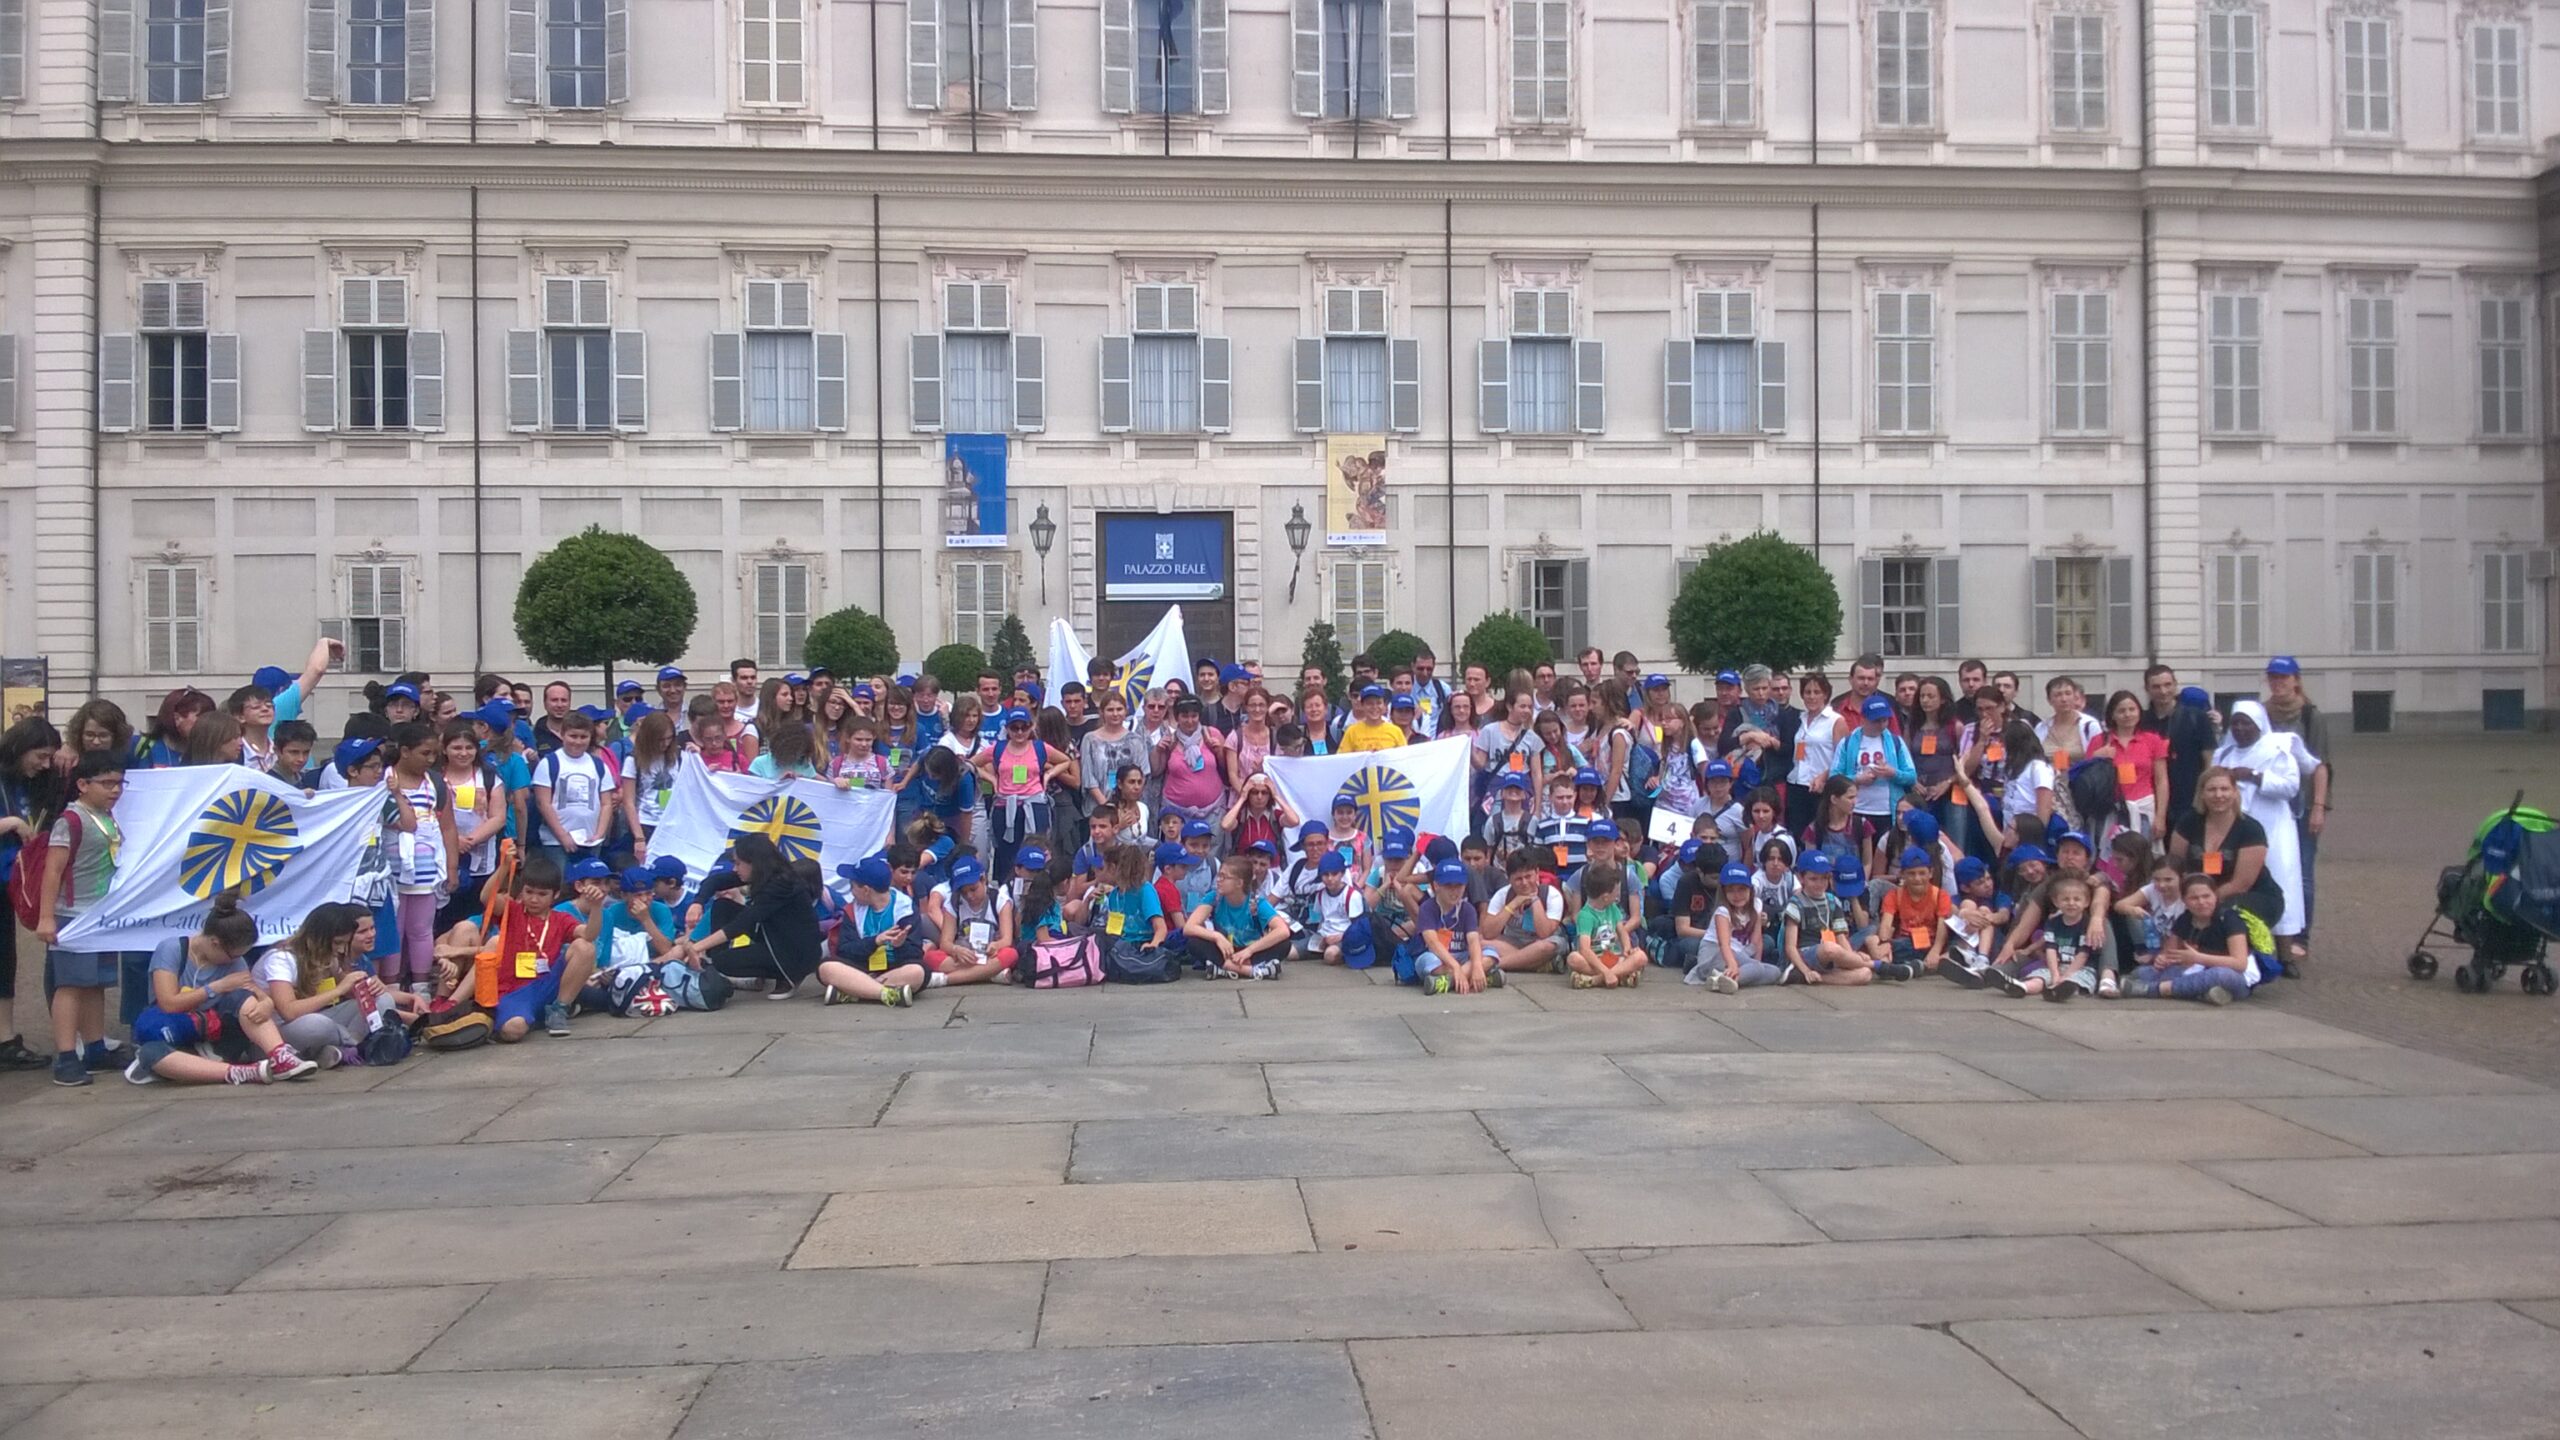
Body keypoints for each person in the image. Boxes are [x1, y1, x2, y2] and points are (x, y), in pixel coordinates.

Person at [127, 894, 320, 1085]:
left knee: (242, 997)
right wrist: (216, 987)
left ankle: (279, 1055)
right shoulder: (172, 949)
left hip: (217, 1037)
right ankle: (242, 1072)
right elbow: (168, 1004)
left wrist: (267, 1003)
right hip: (174, 1033)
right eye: (232, 955)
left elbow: (254, 994)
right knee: (151, 1053)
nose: (235, 960)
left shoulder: (236, 962)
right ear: (214, 943)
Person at [35, 752, 130, 1086]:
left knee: (96, 985)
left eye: (119, 783)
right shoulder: (71, 820)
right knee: (71, 985)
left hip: (99, 916)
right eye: (107, 783)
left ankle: (94, 1047)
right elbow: (53, 871)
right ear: (82, 784)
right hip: (71, 916)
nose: (115, 790)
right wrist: (47, 918)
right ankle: (65, 1056)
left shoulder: (107, 817)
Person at [432, 854, 595, 1040]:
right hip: (516, 989)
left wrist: (596, 907)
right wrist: (504, 866)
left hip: (547, 982)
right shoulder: (513, 911)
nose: (534, 899)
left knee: (585, 947)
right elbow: (487, 897)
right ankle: (455, 1006)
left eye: (542, 894)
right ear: (522, 892)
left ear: (555, 895)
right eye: (529, 892)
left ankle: (560, 1009)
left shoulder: (560, 919)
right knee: (513, 1031)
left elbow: (589, 934)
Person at [674, 835, 824, 1001]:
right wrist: (698, 903)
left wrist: (696, 947)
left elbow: (742, 924)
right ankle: (716, 968)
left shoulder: (782, 884)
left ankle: (788, 974)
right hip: (773, 937)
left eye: (738, 863)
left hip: (794, 952)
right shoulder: (762, 874)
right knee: (723, 905)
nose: (734, 869)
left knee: (723, 962)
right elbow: (715, 881)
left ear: (754, 862)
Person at [2168, 762, 2290, 962]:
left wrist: (2202, 899)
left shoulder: (2251, 829)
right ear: (2202, 794)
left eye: (2224, 789)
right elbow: (2177, 864)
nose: (2218, 795)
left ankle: (2234, 964)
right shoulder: (2188, 822)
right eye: (2212, 789)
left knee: (2225, 913)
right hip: (2201, 892)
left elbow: (2242, 883)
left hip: (2251, 895)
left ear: (2235, 793)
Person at [0, 718, 63, 1069]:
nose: (44, 765)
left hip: (9, 880)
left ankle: (5, 1038)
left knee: (4, 960)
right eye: (39, 756)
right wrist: (9, 824)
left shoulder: (32, 784)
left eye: (49, 757)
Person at [2259, 657, 2332, 950]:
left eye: (2284, 677)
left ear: (2296, 680)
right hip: (2267, 802)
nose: (2278, 683)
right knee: (2268, 867)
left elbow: (2321, 766)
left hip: (2301, 805)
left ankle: (2300, 935)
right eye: (2273, 678)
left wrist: (2319, 807)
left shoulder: (2310, 715)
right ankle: (2270, 931)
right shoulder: (2262, 713)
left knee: (2301, 870)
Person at [2124, 872, 2253, 1004]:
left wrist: (2198, 958)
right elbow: (2169, 953)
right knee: (2143, 973)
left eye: (2206, 896)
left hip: (2234, 977)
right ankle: (2205, 993)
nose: (2202, 902)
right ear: (2184, 900)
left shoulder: (2229, 918)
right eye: (2194, 898)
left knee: (2219, 974)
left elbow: (2240, 964)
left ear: (2215, 896)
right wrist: (2162, 960)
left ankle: (2153, 989)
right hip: (2193, 970)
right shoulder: (2185, 919)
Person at [818, 856, 929, 1007]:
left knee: (918, 972)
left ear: (865, 890)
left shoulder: (905, 909)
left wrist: (899, 945)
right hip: (861, 967)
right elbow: (844, 950)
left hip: (894, 968)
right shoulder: (852, 910)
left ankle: (855, 991)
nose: (851, 891)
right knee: (825, 968)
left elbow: (915, 953)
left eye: (853, 886)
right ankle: (886, 993)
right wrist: (875, 941)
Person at [1184, 855, 1291, 980]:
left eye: (1224, 877)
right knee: (1194, 942)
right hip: (1225, 950)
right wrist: (1217, 937)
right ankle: (1250, 971)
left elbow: (1283, 930)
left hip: (1250, 953)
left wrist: (1249, 951)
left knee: (1284, 944)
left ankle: (1225, 969)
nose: (1218, 880)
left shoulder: (1256, 903)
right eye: (1219, 875)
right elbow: (1189, 927)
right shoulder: (1214, 897)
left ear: (1239, 883)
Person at [2140, 666, 2217, 829]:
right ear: (2147, 689)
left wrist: (2203, 797)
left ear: (2175, 685)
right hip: (2151, 802)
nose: (2163, 691)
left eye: (2167, 685)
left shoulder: (2197, 717)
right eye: (2156, 686)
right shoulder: (2141, 722)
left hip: (2190, 801)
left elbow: (2209, 762)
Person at [924, 855, 1018, 986]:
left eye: (973, 889)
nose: (969, 896)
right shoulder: (953, 903)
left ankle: (946, 980)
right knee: (930, 957)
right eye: (964, 892)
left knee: (1011, 954)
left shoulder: (1000, 900)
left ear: (983, 879)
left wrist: (996, 946)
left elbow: (1007, 940)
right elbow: (945, 942)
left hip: (989, 955)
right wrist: (956, 950)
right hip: (963, 955)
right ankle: (989, 974)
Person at [1782, 852, 1871, 987]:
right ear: (1801, 878)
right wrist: (1805, 969)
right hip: (1806, 955)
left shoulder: (1833, 901)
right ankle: (1878, 964)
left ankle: (1806, 977)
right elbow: (1790, 947)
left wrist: (1851, 956)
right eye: (1813, 879)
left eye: (1824, 878)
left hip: (1831, 956)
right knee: (1830, 948)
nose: (1820, 883)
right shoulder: (1796, 904)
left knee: (1865, 974)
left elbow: (1841, 937)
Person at [1413, 857, 1497, 994]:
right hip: (1438, 957)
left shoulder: (1467, 909)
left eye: (1459, 886)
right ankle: (1480, 977)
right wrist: (1456, 967)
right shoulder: (1427, 908)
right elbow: (1432, 943)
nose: (1454, 891)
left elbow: (1473, 940)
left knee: (1491, 953)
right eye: (1448, 886)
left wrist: (1476, 965)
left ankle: (1447, 982)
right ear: (1436, 886)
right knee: (1427, 962)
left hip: (1462, 956)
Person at [1338, 684, 1405, 753]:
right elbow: (1342, 758)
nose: (1374, 707)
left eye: (1378, 703)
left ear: (1384, 705)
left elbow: (1404, 758)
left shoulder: (1395, 731)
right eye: (1369, 703)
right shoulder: (1352, 731)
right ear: (1362, 705)